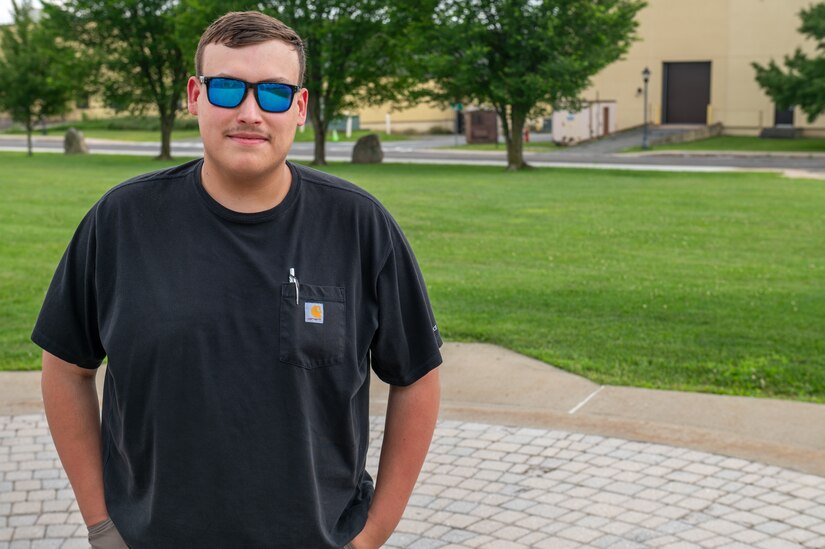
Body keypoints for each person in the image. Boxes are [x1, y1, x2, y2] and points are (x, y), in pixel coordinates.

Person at [33, 10, 442, 549]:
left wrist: (372, 534)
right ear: (194, 96)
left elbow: (416, 376)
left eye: (273, 94)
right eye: (227, 88)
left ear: (299, 107)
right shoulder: (121, 220)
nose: (250, 112)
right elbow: (65, 369)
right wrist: (103, 526)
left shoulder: (359, 225)